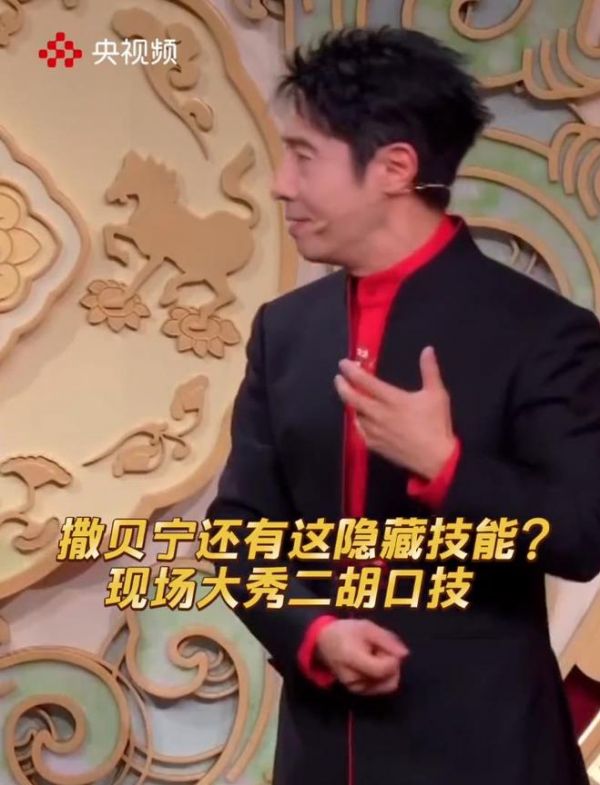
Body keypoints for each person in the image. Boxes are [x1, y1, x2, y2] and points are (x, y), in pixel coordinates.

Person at [206, 26, 600, 785]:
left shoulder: (543, 333)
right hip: (325, 751)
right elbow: (239, 531)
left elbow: (584, 533)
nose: (281, 184)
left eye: (304, 157)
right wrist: (310, 630)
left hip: (489, 748)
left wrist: (447, 467)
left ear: (394, 167)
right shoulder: (286, 331)